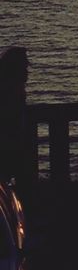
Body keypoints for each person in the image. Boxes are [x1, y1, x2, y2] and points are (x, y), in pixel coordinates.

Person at [0, 45, 29, 184]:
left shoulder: (13, 90)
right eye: (24, 66)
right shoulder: (11, 94)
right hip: (8, 147)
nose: (27, 70)